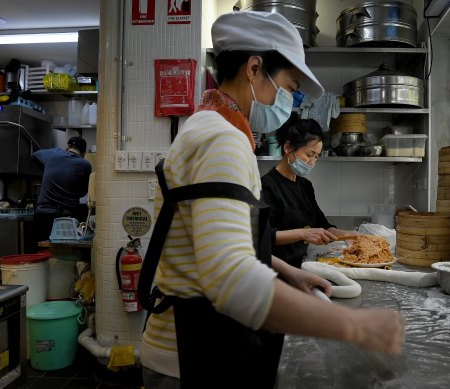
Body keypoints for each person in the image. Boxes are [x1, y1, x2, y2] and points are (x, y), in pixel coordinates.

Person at [140, 11, 405, 389]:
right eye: (288, 86)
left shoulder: (207, 126)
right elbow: (230, 279)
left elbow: (214, 250)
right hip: (190, 357)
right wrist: (355, 326)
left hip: (192, 345)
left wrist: (287, 272)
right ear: (253, 68)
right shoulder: (222, 140)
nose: (290, 99)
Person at [261, 114, 359, 268]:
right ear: (288, 148)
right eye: (309, 155)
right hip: (277, 270)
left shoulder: (305, 186)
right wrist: (303, 233)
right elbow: (264, 236)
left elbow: (322, 225)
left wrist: (347, 234)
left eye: (316, 157)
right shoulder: (266, 186)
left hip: (303, 266)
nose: (312, 162)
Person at [32, 136, 91, 243]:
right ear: (83, 153)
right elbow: (84, 191)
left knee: (42, 252)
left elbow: (35, 154)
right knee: (64, 253)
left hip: (43, 214)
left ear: (67, 147)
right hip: (66, 219)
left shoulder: (53, 154)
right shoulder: (85, 164)